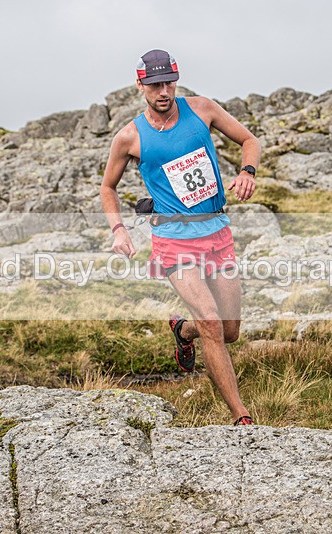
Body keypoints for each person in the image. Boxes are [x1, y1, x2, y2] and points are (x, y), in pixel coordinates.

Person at [100, 49, 261, 426]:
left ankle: (181, 330)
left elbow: (249, 141)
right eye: (155, 84)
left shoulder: (202, 109)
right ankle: (242, 416)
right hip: (172, 237)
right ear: (140, 85)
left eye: (169, 82)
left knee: (229, 330)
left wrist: (248, 171)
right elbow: (108, 188)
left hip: (216, 230)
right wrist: (118, 229)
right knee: (210, 322)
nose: (164, 91)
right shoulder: (129, 137)